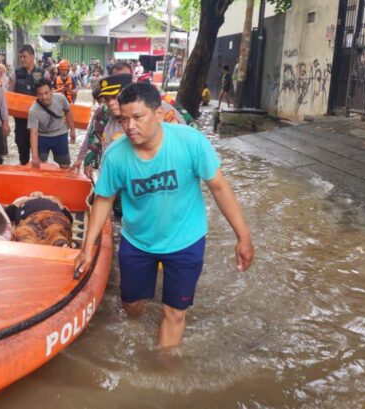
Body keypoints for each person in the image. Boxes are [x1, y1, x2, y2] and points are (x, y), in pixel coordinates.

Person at [75, 83, 254, 348]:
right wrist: (86, 247)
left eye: (138, 117)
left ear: (159, 114)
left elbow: (219, 187)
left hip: (186, 240)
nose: (130, 126)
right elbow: (103, 200)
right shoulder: (115, 155)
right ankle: (138, 328)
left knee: (175, 312)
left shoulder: (191, 142)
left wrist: (243, 236)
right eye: (124, 119)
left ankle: (163, 370)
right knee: (131, 305)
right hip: (137, 241)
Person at [9, 44, 50, 165]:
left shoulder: (44, 74)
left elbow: (49, 98)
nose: (22, 59)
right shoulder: (15, 74)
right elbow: (9, 96)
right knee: (23, 155)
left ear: (32, 56)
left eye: (24, 57)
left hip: (39, 121)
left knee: (40, 156)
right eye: (20, 57)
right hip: (21, 121)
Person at [28, 78, 76, 169]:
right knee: (39, 164)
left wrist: (72, 130)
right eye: (40, 94)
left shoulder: (61, 98)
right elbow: (33, 133)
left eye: (46, 93)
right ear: (36, 95)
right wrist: (34, 157)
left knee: (65, 166)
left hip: (60, 134)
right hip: (43, 136)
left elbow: (68, 111)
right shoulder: (33, 110)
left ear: (52, 91)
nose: (43, 97)